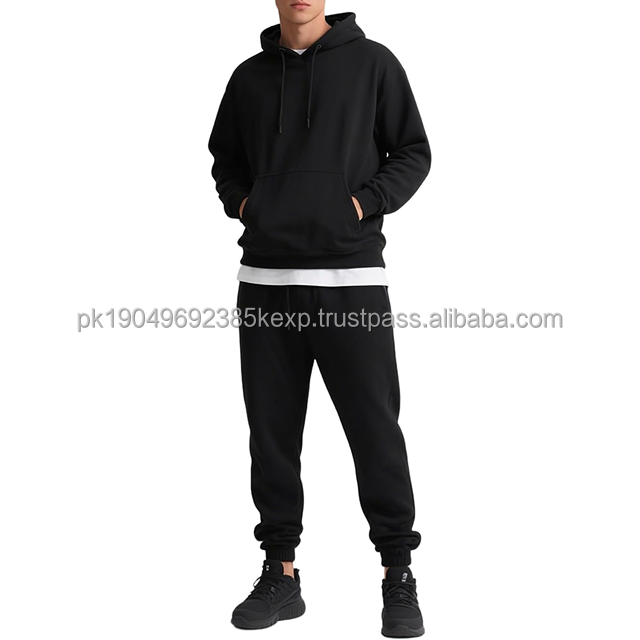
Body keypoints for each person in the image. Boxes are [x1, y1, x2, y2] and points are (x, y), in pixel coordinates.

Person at [208, 2, 431, 636]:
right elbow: (225, 160)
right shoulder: (249, 77)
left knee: (374, 430)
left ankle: (397, 572)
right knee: (272, 435)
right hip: (265, 284)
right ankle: (281, 574)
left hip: (350, 281)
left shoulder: (373, 64)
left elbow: (413, 151)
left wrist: (363, 203)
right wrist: (246, 204)